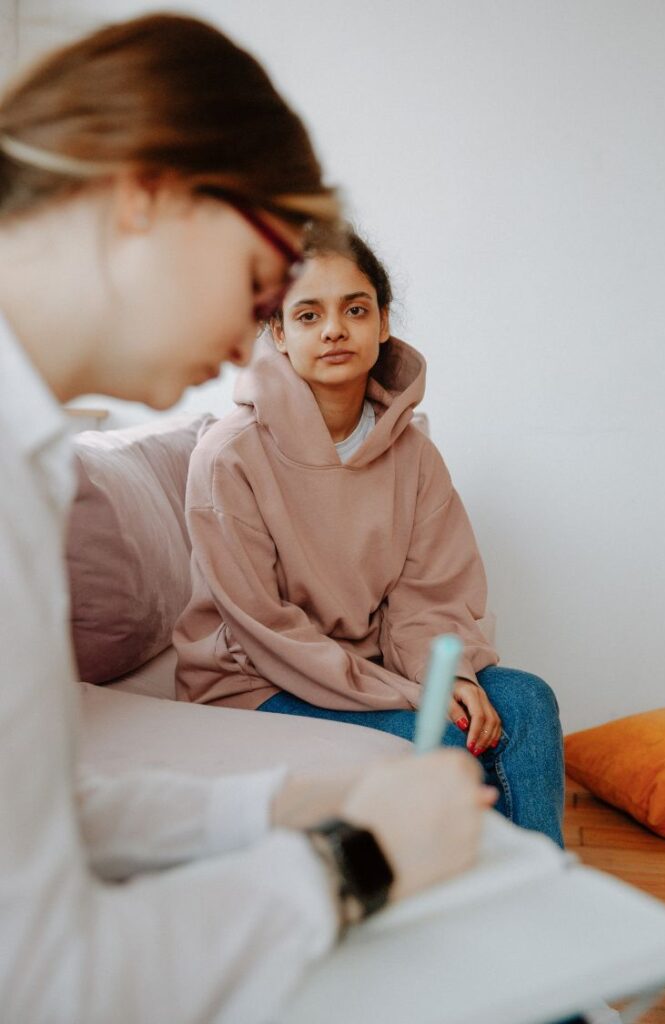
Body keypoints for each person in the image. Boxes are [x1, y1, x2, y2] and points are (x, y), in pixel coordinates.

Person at [0, 15, 497, 1023]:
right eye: (264, 284)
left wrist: (277, 805)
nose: (248, 342)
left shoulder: (30, 460)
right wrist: (353, 861)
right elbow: (39, 978)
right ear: (147, 194)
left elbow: (34, 816)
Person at [174, 225, 566, 848]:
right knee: (443, 739)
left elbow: (429, 596)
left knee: (526, 702)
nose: (334, 329)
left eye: (355, 309)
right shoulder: (228, 457)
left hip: (374, 667)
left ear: (382, 323)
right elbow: (264, 628)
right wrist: (416, 696)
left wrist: (454, 677)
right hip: (257, 683)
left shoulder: (414, 455)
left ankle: (542, 895)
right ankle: (475, 906)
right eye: (308, 313)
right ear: (277, 332)